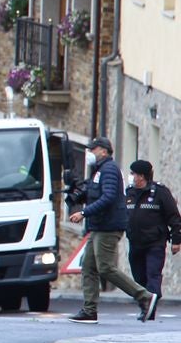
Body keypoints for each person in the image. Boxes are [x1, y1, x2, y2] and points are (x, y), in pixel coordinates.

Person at [67, 138, 159, 323]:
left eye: (93, 149)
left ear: (104, 151)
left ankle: (145, 297)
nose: (90, 153)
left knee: (106, 268)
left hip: (107, 227)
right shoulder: (99, 171)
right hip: (99, 226)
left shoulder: (108, 170)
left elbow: (108, 197)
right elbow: (94, 194)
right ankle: (89, 310)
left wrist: (84, 213)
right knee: (89, 267)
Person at [124, 160, 181, 319]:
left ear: (141, 176)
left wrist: (176, 240)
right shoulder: (129, 192)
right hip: (135, 242)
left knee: (153, 274)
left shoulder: (160, 192)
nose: (131, 176)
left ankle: (150, 308)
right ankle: (146, 303)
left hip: (155, 242)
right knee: (139, 277)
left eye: (133, 173)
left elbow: (174, 217)